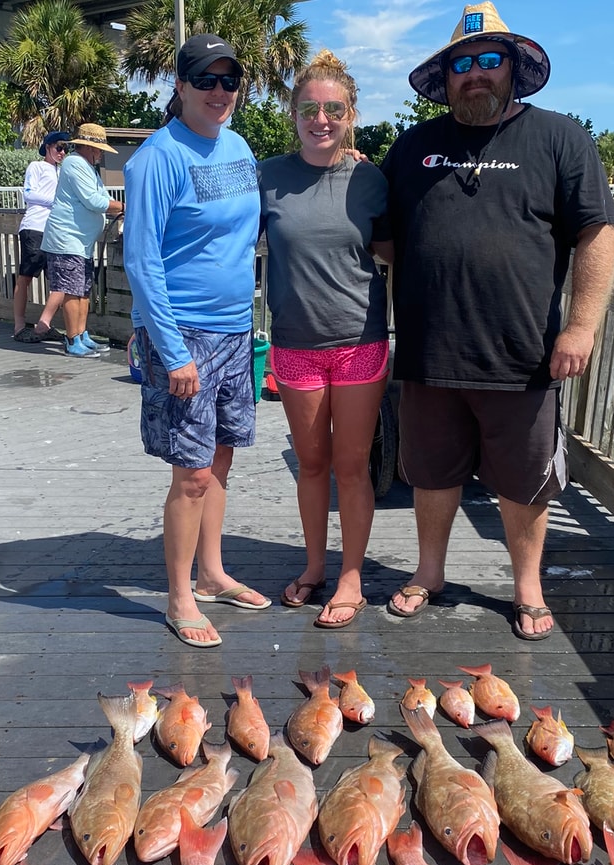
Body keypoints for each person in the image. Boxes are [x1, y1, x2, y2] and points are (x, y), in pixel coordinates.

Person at [380, 1, 614, 640]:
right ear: (447, 76)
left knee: (522, 482)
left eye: (490, 61)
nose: (476, 74)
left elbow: (597, 232)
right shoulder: (412, 145)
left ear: (512, 69)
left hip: (523, 355)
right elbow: (384, 237)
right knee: (430, 474)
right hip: (430, 353)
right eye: (463, 64)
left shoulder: (560, 136)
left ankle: (527, 587)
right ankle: (428, 573)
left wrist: (582, 326)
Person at [123, 34, 267, 649]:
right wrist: (173, 350)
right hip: (185, 334)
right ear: (179, 86)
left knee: (222, 459)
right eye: (205, 80)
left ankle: (211, 573)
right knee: (191, 474)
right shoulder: (156, 158)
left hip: (237, 330)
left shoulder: (238, 147)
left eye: (229, 80)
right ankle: (180, 596)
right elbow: (141, 259)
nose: (219, 91)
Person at [259, 51, 393, 630]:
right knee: (312, 464)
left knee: (352, 465)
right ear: (293, 113)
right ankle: (315, 566)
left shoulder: (370, 177)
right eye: (310, 108)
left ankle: (351, 576)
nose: (321, 118)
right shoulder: (265, 175)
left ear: (351, 114)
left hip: (359, 340)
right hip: (293, 342)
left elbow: (398, 250)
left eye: (333, 109)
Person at [40, 123, 123, 358]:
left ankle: (82, 334)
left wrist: (117, 206)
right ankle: (72, 339)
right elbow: (94, 202)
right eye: (100, 149)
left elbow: (102, 198)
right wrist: (126, 206)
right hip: (67, 239)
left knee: (84, 290)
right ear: (89, 147)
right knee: (71, 290)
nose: (102, 153)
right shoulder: (74, 163)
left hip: (80, 242)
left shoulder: (87, 167)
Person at [12, 130, 70, 342]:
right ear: (48, 147)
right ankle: (19, 325)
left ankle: (44, 325)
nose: (62, 152)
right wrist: (56, 200)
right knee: (26, 276)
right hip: (35, 226)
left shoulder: (63, 171)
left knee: (58, 280)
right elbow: (29, 193)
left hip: (55, 230)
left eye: (66, 148)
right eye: (59, 147)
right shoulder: (36, 166)